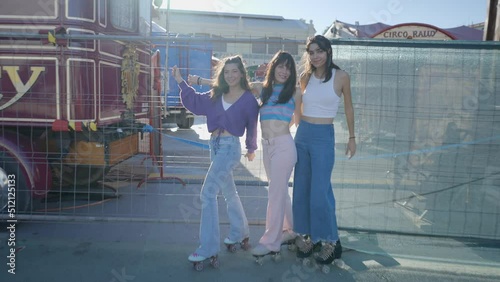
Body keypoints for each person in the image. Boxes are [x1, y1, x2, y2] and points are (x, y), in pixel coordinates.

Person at [171, 55, 259, 264]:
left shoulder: (247, 99)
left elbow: (252, 125)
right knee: (229, 192)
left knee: (207, 194)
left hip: (230, 148)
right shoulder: (216, 94)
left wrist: (251, 148)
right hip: (215, 145)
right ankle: (240, 232)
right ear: (222, 74)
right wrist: (180, 82)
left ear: (241, 73)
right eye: (226, 72)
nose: (230, 75)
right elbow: (195, 102)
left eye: (234, 71)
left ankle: (209, 247)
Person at [292, 35, 356, 266]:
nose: (315, 56)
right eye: (311, 52)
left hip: (323, 137)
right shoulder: (305, 77)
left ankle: (331, 241)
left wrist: (351, 137)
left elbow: (348, 107)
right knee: (301, 190)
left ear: (328, 51)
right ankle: (308, 237)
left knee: (320, 193)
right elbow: (298, 110)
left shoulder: (341, 77)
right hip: (303, 136)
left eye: (319, 51)